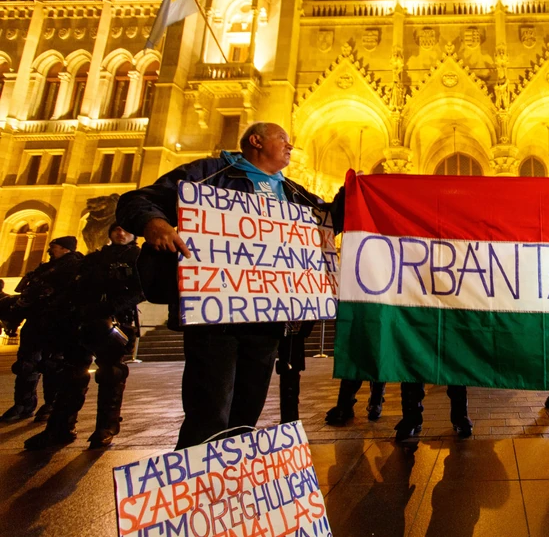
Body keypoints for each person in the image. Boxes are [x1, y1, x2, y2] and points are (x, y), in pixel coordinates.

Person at [116, 122, 343, 449]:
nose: (291, 147)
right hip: (215, 317)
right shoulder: (208, 173)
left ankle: (231, 483)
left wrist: (355, 193)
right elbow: (136, 201)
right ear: (256, 141)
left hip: (267, 318)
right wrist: (155, 224)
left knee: (247, 410)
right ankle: (197, 485)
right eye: (284, 140)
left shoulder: (293, 192)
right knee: (210, 410)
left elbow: (327, 223)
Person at [25, 224, 144, 450]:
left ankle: (106, 427)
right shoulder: (95, 258)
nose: (121, 233)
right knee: (72, 372)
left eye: (126, 230)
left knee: (111, 372)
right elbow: (76, 286)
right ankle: (59, 428)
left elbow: (141, 291)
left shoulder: (137, 257)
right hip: (83, 320)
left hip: (115, 323)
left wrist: (109, 307)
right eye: (116, 229)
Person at [0, 237, 83, 423]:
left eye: (53, 247)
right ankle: (23, 404)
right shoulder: (44, 268)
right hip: (35, 320)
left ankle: (50, 404)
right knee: (26, 364)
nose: (49, 250)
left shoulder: (74, 266)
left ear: (65, 249)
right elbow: (28, 294)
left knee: (52, 364)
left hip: (57, 322)